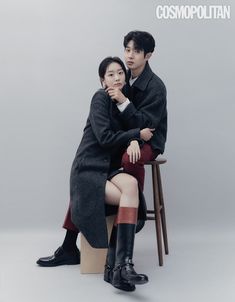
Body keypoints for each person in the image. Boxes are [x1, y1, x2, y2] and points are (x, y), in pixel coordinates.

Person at [37, 30, 167, 275]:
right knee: (93, 179)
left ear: (148, 55)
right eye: (127, 49)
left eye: (136, 51)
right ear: (103, 79)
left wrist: (135, 137)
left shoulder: (154, 86)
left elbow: (146, 126)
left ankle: (125, 234)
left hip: (149, 138)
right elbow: (114, 130)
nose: (129, 56)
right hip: (120, 143)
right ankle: (86, 246)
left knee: (130, 158)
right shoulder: (116, 84)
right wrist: (132, 136)